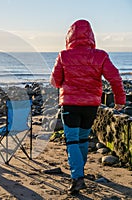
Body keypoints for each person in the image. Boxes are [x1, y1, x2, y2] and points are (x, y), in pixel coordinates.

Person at [50, 19, 126, 194]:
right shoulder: (100, 55)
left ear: (69, 36)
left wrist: (66, 80)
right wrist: (120, 100)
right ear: (91, 36)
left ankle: (77, 177)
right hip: (91, 105)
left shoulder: (64, 55)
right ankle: (79, 172)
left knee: (72, 141)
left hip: (70, 104)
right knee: (83, 139)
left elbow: (55, 82)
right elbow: (115, 78)